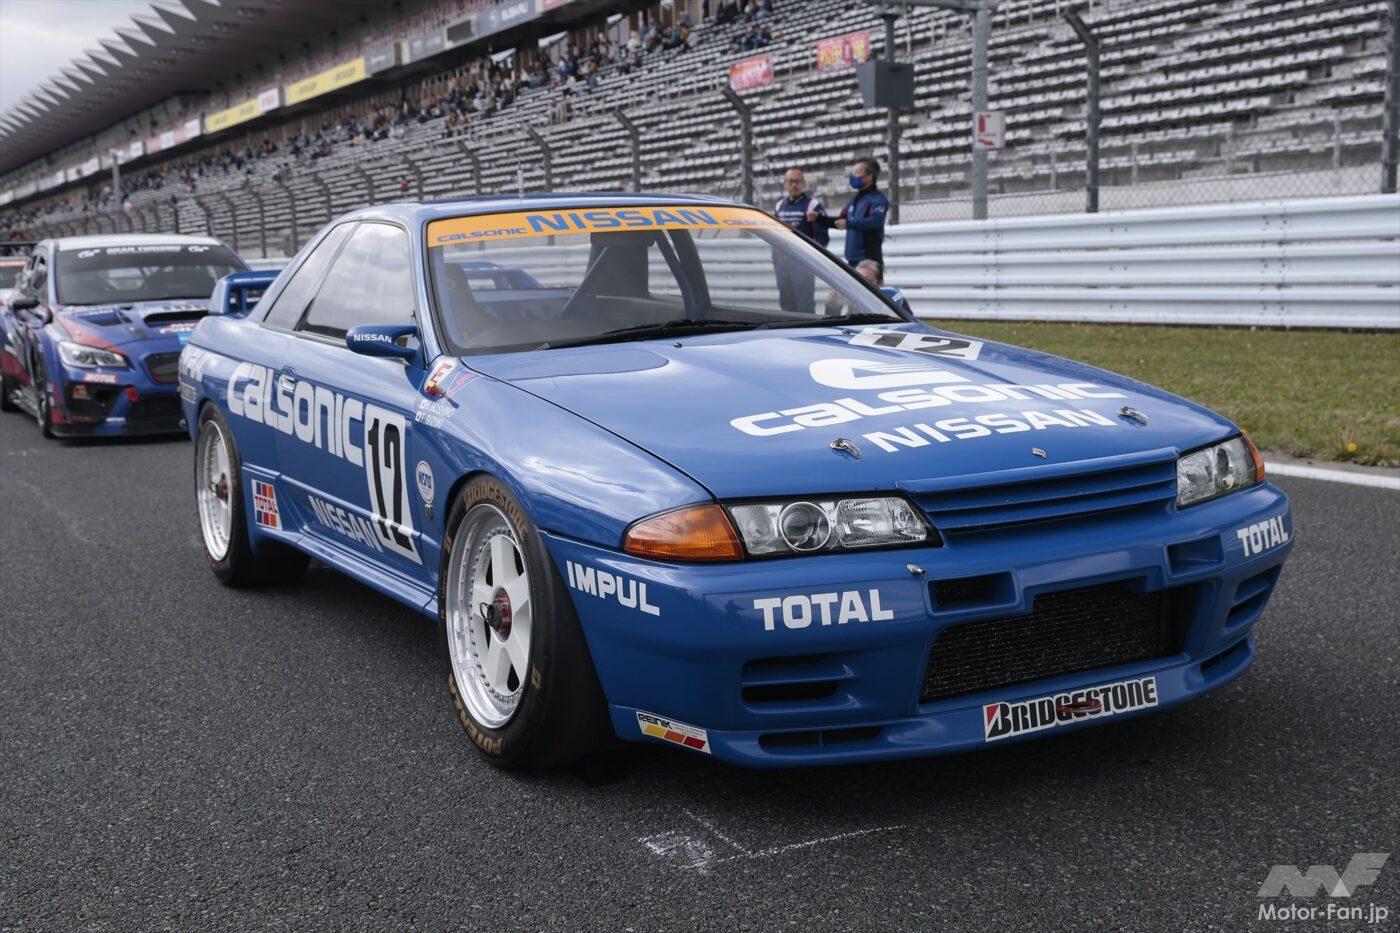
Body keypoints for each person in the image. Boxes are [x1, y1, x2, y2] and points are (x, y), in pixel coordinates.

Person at [771, 168, 828, 314]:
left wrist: (812, 261)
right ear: (785, 184)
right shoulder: (779, 206)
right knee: (786, 305)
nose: (794, 185)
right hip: (782, 264)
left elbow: (823, 237)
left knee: (805, 306)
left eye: (797, 182)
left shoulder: (813, 205)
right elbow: (773, 236)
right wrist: (776, 261)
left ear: (803, 183)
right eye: (790, 182)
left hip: (803, 262)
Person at [820, 157, 889, 266]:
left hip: (869, 260)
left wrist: (849, 224)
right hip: (852, 259)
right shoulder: (854, 200)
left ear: (870, 176)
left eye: (857, 173)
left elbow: (876, 221)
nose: (853, 176)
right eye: (853, 173)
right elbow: (840, 221)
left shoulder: (878, 199)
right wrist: (818, 218)